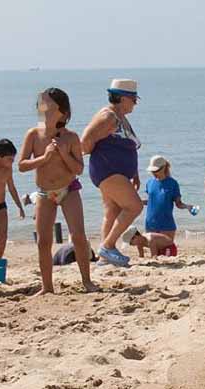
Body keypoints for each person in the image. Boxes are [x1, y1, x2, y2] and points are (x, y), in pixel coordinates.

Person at [20, 88, 97, 294]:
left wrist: (64, 153)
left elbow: (79, 169)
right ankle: (47, 286)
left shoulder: (71, 137)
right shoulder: (34, 135)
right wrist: (43, 159)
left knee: (78, 236)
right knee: (44, 241)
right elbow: (22, 165)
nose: (42, 108)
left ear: (62, 112)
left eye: (47, 105)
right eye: (40, 104)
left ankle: (87, 281)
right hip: (45, 193)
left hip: (69, 190)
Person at [81, 78, 141, 267]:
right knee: (134, 206)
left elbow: (129, 147)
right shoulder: (108, 116)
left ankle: (104, 259)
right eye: (134, 99)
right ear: (123, 98)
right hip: (108, 170)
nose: (135, 103)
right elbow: (86, 140)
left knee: (112, 211)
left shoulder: (120, 117)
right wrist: (97, 154)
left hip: (115, 171)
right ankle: (107, 246)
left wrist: (135, 172)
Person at [144, 155, 188, 241]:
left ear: (164, 167)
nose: (154, 173)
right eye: (152, 171)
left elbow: (178, 204)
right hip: (150, 223)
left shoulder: (173, 183)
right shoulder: (149, 183)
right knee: (154, 252)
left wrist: (188, 207)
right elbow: (151, 201)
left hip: (166, 225)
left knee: (167, 252)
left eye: (156, 170)